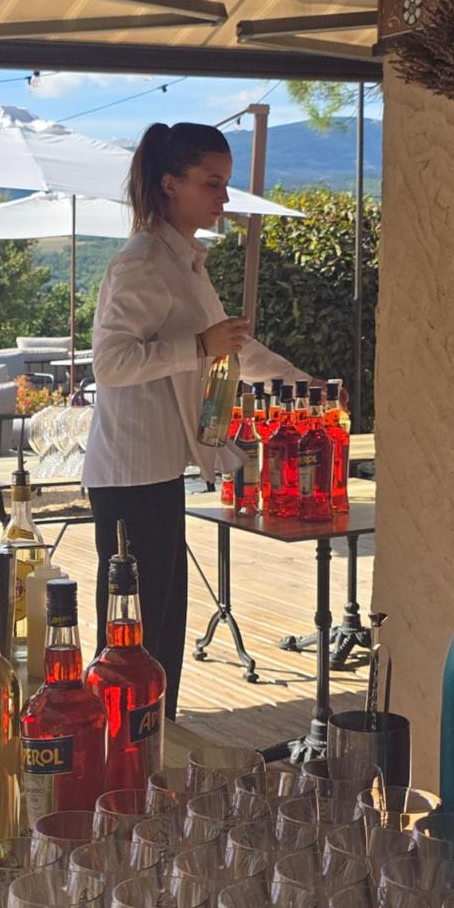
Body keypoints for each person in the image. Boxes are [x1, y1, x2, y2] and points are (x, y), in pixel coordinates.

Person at [82, 120, 310, 720]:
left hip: (157, 470)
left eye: (225, 183)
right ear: (170, 184)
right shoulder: (142, 263)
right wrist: (199, 347)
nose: (224, 198)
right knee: (136, 635)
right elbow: (111, 363)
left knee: (162, 630)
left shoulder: (183, 263)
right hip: (129, 473)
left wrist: (307, 389)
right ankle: (124, 752)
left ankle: (153, 746)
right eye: (212, 183)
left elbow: (232, 347)